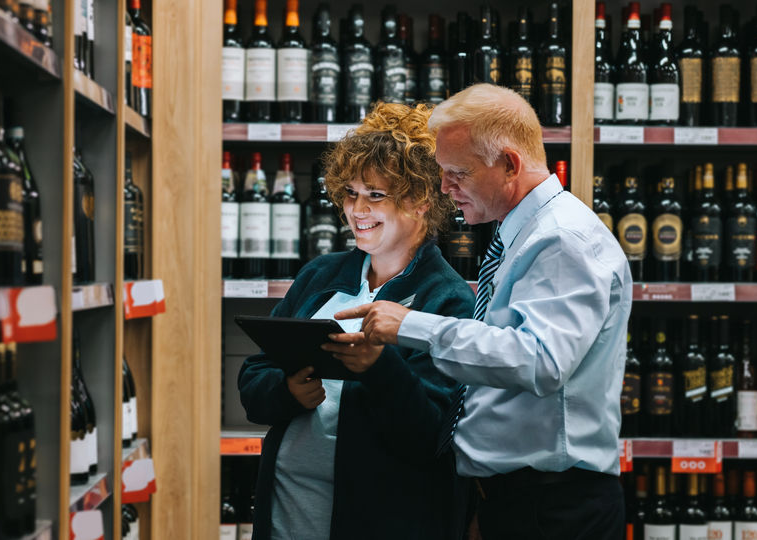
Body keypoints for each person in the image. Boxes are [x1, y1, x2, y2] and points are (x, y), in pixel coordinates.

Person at [335, 83, 633, 539]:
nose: (443, 187)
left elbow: (541, 361)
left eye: (457, 172)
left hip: (552, 506)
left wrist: (411, 325)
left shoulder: (562, 242)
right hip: (513, 498)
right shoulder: (524, 234)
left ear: (509, 164)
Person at [237, 102, 475, 540]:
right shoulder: (320, 275)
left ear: (422, 199)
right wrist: (286, 391)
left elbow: (430, 438)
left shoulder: (448, 300)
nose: (356, 209)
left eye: (375, 195)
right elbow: (253, 377)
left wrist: (379, 367)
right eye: (350, 193)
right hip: (288, 516)